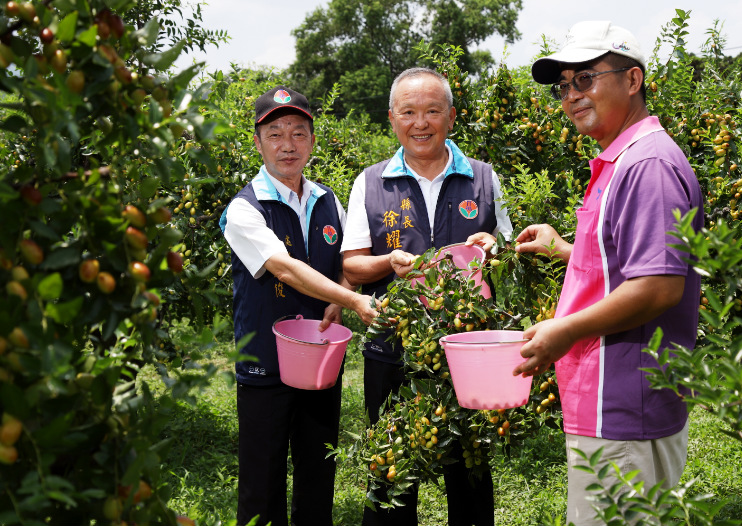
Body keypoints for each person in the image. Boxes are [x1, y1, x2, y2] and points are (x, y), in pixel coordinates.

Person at [512, 21, 703, 525]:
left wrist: (564, 329)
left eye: (586, 79)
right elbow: (632, 262)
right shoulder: (623, 161)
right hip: (608, 400)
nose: (572, 95)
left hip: (623, 403)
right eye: (565, 85)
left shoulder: (647, 165)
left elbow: (659, 286)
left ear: (633, 80)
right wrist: (564, 249)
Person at [342, 67, 513, 526]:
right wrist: (387, 261)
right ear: (392, 120)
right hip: (392, 345)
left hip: (468, 348)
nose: (421, 122)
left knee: (471, 469)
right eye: (409, 112)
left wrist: (495, 249)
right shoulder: (371, 182)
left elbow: (510, 251)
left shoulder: (484, 178)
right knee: (391, 466)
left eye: (433, 111)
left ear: (451, 117)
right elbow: (351, 265)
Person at [220, 85, 377, 526]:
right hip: (264, 366)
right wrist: (352, 298)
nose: (287, 145)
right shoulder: (244, 209)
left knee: (317, 472)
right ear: (257, 141)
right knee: (261, 480)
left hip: (320, 362)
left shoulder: (327, 200)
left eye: (298, 132)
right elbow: (283, 268)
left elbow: (349, 259)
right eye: (275, 133)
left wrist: (340, 297)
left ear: (312, 140)